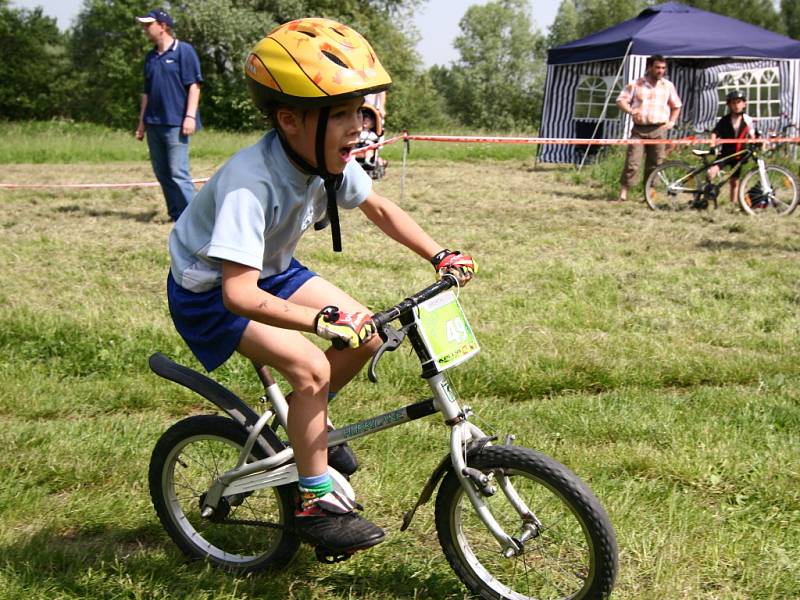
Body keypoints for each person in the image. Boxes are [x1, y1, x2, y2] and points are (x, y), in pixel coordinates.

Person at [166, 18, 476, 555]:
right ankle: (314, 500)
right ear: (289, 119)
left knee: (371, 334)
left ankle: (305, 427)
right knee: (311, 369)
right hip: (210, 291)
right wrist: (316, 322)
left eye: (361, 111)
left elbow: (377, 205)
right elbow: (237, 295)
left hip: (271, 268)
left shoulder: (326, 158)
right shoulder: (250, 182)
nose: (359, 126)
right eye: (341, 115)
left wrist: (437, 252)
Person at [135, 8, 203, 222]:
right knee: (162, 174)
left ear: (163, 26)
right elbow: (146, 93)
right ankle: (177, 215)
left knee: (178, 173)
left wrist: (190, 117)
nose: (145, 29)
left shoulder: (184, 51)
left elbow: (194, 86)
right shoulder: (151, 57)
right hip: (153, 123)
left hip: (176, 124)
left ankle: (195, 219)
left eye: (149, 25)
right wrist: (141, 123)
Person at [616, 55, 682, 202]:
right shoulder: (636, 84)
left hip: (659, 129)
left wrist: (671, 122)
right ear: (650, 67)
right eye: (658, 67)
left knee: (656, 163)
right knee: (633, 162)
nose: (661, 71)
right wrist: (630, 110)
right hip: (639, 130)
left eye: (663, 68)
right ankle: (623, 194)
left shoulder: (668, 86)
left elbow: (676, 106)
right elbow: (620, 100)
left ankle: (648, 195)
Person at [707, 90, 757, 206]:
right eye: (733, 103)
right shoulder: (724, 120)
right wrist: (712, 145)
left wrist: (755, 142)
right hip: (725, 153)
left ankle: (732, 203)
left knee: (734, 181)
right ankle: (707, 197)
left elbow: (752, 135)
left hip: (739, 155)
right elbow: (715, 132)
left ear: (744, 104)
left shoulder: (747, 120)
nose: (736, 106)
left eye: (739, 102)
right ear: (729, 105)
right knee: (711, 173)